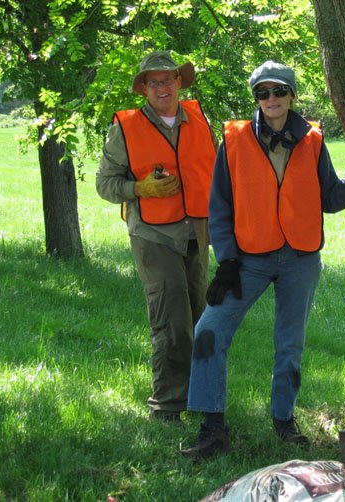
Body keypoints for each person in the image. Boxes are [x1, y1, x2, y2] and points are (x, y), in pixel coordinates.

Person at [182, 60, 345, 460]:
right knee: (209, 330)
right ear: (255, 98)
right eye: (263, 92)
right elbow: (219, 205)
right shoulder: (235, 139)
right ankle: (211, 427)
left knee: (289, 344)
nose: (271, 99)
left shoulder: (311, 140)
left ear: (292, 95)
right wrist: (226, 261)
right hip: (248, 260)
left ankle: (283, 418)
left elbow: (329, 197)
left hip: (300, 258)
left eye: (279, 91)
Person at [96, 51, 217, 423]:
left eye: (169, 79)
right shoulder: (126, 127)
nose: (163, 87)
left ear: (179, 82)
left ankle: (198, 399)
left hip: (197, 233)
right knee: (172, 322)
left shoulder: (199, 119)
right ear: (144, 88)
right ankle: (166, 407)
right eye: (154, 81)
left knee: (200, 320)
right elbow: (105, 183)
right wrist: (140, 188)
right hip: (153, 235)